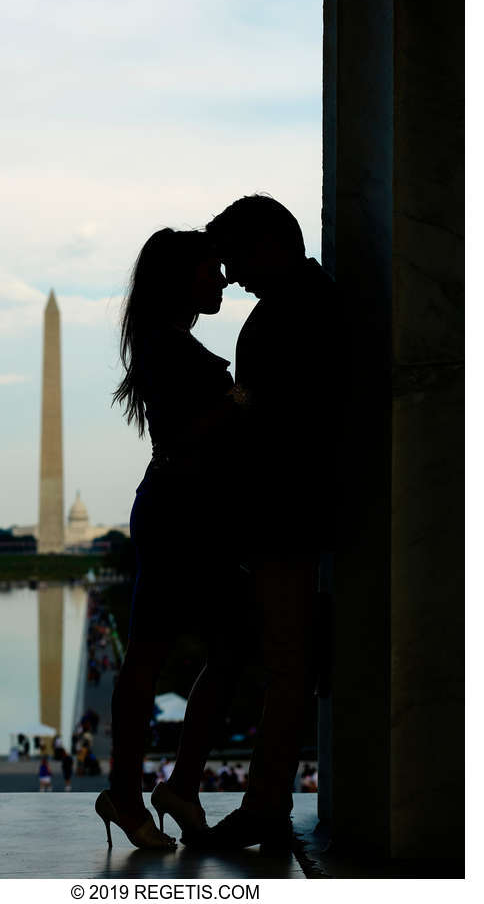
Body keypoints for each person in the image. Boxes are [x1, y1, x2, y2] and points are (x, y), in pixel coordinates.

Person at [96, 228, 247, 851]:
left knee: (225, 650)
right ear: (181, 278)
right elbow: (182, 444)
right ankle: (138, 794)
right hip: (181, 517)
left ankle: (165, 788)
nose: (222, 280)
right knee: (166, 656)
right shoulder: (168, 347)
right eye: (211, 269)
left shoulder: (169, 344)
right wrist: (240, 401)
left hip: (187, 515)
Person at [201, 194, 338, 849]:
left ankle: (263, 809)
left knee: (287, 664)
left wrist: (230, 409)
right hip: (290, 508)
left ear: (271, 243)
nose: (231, 277)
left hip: (286, 511)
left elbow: (280, 422)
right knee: (289, 662)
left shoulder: (302, 312)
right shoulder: (309, 304)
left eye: (235, 260)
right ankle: (266, 805)